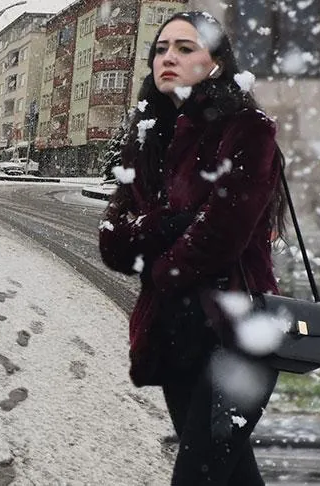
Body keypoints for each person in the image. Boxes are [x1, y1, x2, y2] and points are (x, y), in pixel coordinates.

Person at [98, 11, 289, 485]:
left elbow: (222, 234)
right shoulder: (147, 135)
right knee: (231, 475)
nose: (169, 57)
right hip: (175, 334)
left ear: (218, 63)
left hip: (238, 332)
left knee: (199, 476)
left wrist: (158, 264)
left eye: (186, 48)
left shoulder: (247, 129)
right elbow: (113, 241)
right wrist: (171, 222)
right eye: (161, 49)